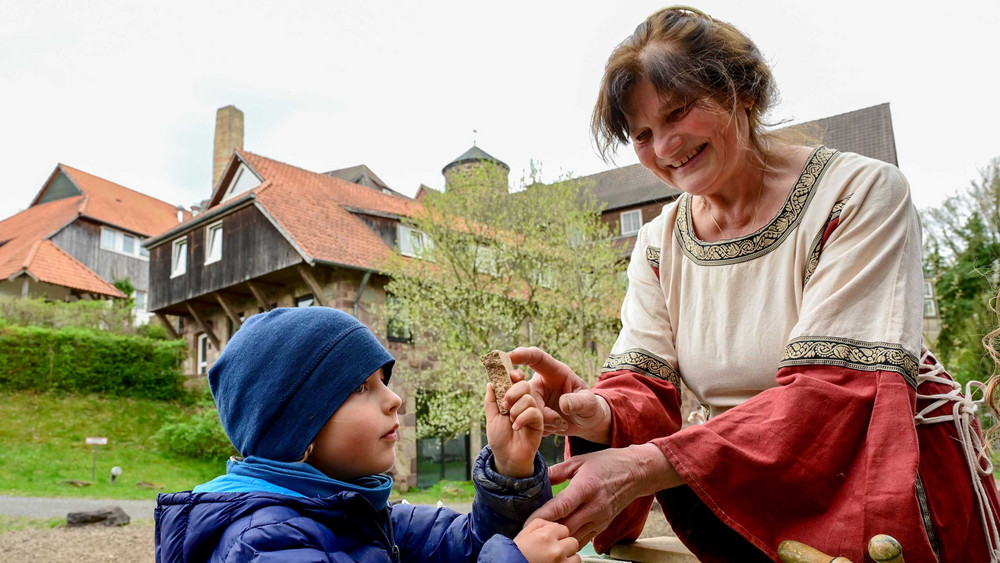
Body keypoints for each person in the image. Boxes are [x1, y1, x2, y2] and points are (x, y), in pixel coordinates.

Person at [507, 6, 1000, 562]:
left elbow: (834, 395)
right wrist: (600, 413)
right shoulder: (657, 243)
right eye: (643, 134)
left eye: (679, 112)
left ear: (742, 90)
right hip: (736, 486)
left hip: (872, 479)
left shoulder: (859, 194)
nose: (665, 147)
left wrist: (648, 464)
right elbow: (643, 384)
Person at [154, 307, 581, 562]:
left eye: (383, 381)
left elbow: (471, 548)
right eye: (361, 387)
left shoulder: (373, 518)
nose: (393, 399)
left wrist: (510, 465)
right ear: (297, 427)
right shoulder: (264, 542)